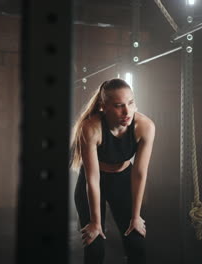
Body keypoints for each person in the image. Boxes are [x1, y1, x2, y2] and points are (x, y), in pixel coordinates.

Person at [70, 78, 155, 264]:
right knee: (94, 247)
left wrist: (136, 217)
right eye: (118, 106)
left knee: (137, 243)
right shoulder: (90, 128)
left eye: (130, 103)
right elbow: (92, 179)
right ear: (103, 107)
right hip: (93, 181)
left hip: (124, 180)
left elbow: (140, 173)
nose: (127, 111)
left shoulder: (145, 126)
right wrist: (95, 223)